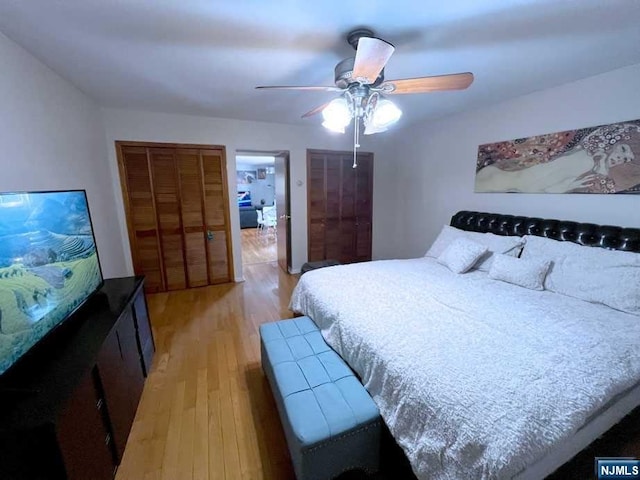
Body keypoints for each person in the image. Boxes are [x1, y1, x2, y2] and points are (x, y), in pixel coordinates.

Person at [475, 141, 635, 193]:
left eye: (627, 159)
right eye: (622, 150)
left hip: (518, 183)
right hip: (505, 178)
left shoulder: (590, 169)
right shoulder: (584, 154)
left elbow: (551, 189)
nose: (622, 158)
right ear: (614, 143)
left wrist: (568, 185)